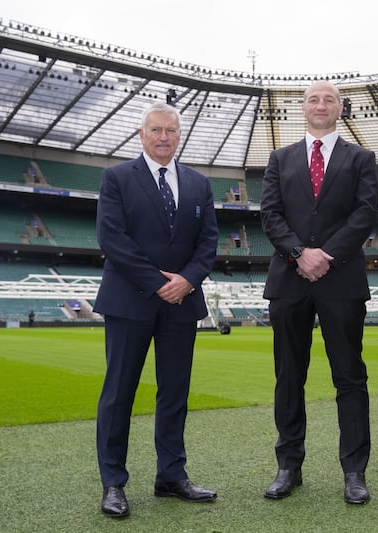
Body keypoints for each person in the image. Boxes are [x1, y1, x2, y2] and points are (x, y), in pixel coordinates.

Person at [94, 101, 219, 518]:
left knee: (174, 394)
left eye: (171, 130)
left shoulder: (199, 184)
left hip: (182, 303)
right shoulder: (116, 178)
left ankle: (171, 476)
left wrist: (187, 281)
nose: (164, 137)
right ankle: (113, 482)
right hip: (130, 301)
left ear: (178, 135)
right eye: (156, 130)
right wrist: (159, 282)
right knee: (118, 394)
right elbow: (112, 239)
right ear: (141, 135)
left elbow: (208, 243)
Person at [260, 80, 378, 504]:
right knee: (289, 376)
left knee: (349, 377)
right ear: (303, 108)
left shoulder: (361, 158)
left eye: (329, 99)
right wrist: (299, 254)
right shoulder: (279, 158)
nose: (321, 104)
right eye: (314, 98)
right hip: (289, 280)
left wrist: (324, 254)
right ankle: (288, 465)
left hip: (341, 278)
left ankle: (354, 471)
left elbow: (366, 213)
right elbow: (270, 215)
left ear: (341, 108)